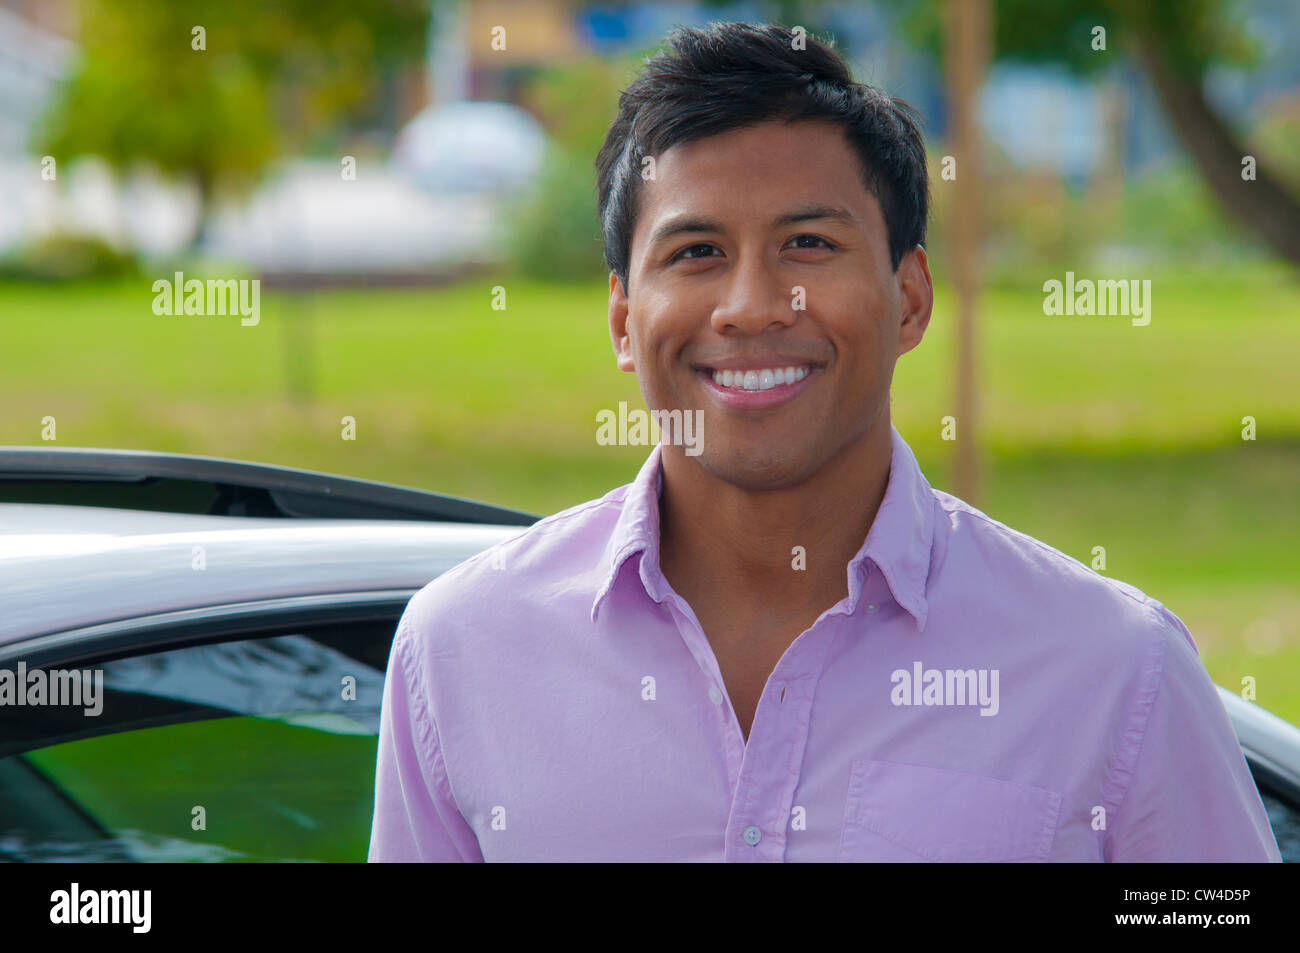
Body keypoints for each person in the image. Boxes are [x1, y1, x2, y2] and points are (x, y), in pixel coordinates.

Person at [368, 21, 1281, 862]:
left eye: (807, 242)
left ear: (911, 297)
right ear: (620, 317)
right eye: (696, 252)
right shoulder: (463, 653)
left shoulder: (1113, 668)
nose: (754, 306)